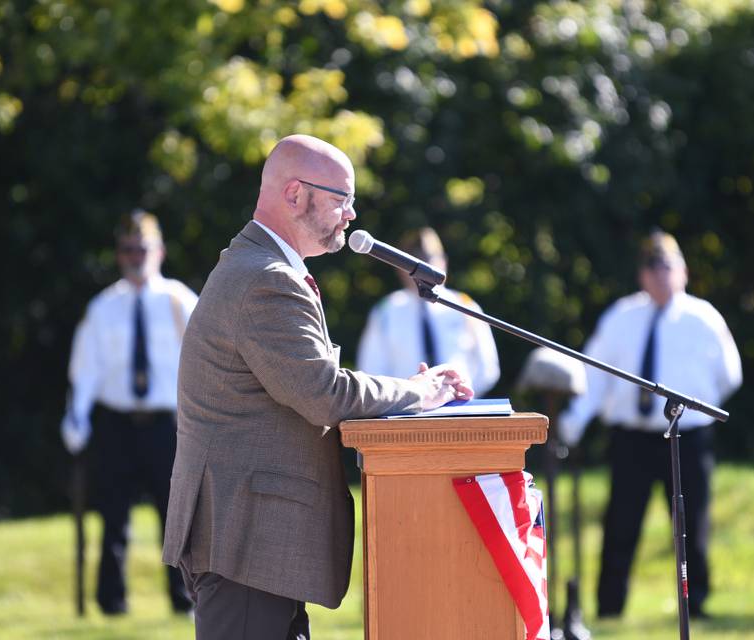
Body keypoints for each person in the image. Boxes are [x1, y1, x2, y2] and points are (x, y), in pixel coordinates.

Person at [161, 134, 473, 640]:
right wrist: (421, 391)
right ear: (294, 194)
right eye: (341, 199)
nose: (350, 215)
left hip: (252, 542)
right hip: (246, 541)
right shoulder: (265, 278)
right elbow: (323, 393)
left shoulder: (263, 266)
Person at [558, 230, 742, 619]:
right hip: (632, 439)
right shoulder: (621, 317)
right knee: (621, 524)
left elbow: (730, 375)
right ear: (642, 276)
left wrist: (699, 413)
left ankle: (697, 606)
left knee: (691, 523)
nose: (660, 276)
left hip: (688, 436)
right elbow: (593, 376)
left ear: (683, 272)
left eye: (667, 267)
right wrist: (573, 422)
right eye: (652, 268)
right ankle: (609, 609)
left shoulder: (704, 318)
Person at [60, 210, 198, 615]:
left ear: (159, 251)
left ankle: (183, 599)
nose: (136, 256)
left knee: (175, 516)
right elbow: (85, 369)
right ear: (118, 255)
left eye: (143, 248)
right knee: (113, 516)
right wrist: (76, 416)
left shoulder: (179, 300)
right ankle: (111, 602)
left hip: (167, 423)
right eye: (128, 249)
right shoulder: (104, 306)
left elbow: (203, 363)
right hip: (117, 423)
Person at [357, 227, 500, 397]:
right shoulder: (386, 311)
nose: (422, 268)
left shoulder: (464, 306)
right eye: (415, 261)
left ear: (443, 262)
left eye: (429, 258)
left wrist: (458, 394)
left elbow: (488, 366)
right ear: (400, 267)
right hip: (405, 411)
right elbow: (370, 369)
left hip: (460, 406)